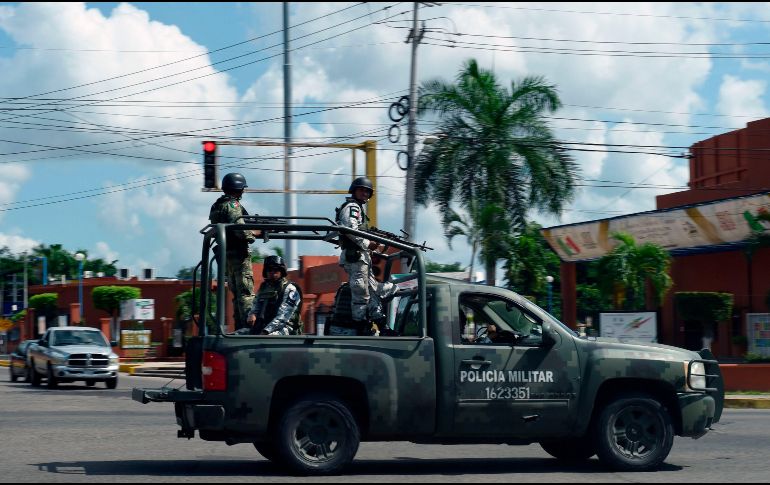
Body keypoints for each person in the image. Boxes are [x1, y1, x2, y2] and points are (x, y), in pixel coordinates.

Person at [333, 176, 385, 335]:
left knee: (373, 290)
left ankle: (380, 322)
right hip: (355, 257)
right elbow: (350, 229)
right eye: (362, 189)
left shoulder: (359, 209)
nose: (364, 193)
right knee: (361, 292)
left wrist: (375, 246)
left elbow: (359, 234)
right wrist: (369, 243)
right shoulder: (353, 207)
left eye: (367, 191)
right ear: (354, 190)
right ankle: (359, 325)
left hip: (362, 257)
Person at [209, 172, 256, 330]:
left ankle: (240, 328)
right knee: (246, 293)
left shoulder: (217, 205)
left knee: (237, 295)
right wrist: (256, 233)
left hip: (227, 256)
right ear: (237, 188)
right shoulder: (233, 205)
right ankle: (249, 327)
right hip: (238, 255)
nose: (243, 191)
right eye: (242, 188)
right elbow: (241, 230)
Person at [246, 255, 303, 335]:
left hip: (285, 328)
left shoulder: (290, 289)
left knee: (268, 338)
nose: (272, 272)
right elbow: (256, 304)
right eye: (269, 270)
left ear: (281, 271)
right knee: (238, 335)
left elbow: (283, 317)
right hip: (265, 326)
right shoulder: (264, 287)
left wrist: (265, 331)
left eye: (276, 270)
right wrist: (252, 314)